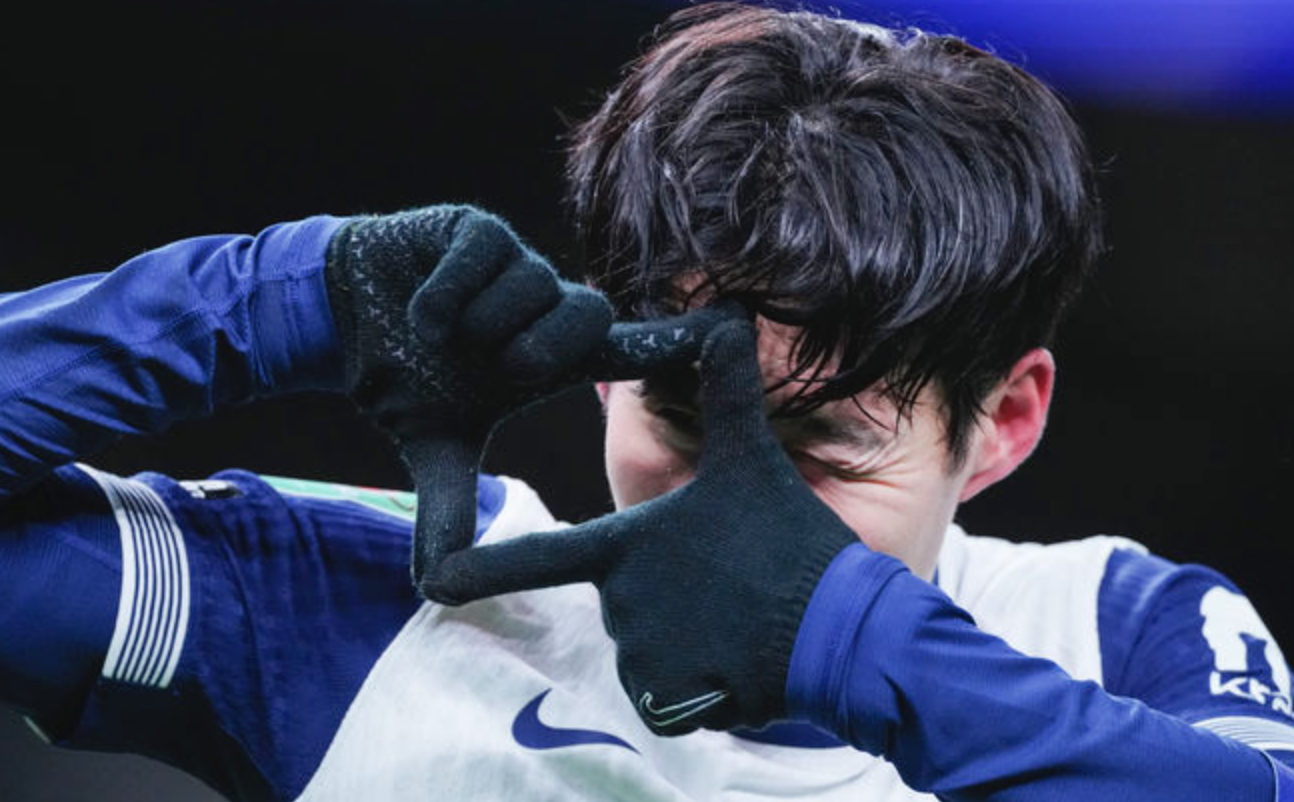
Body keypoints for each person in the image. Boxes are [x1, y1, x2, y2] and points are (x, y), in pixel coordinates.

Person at [1, 3, 1291, 800]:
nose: (733, 511)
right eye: (685, 416)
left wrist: (851, 646)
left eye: (822, 449)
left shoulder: (1116, 634)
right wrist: (275, 297)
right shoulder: (371, 615)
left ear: (1002, 424)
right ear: (612, 362)